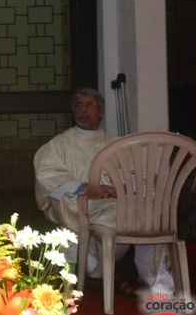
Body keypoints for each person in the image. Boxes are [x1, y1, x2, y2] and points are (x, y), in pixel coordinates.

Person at [33, 88, 175, 297]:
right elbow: (47, 173)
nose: (83, 110)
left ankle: (159, 289)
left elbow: (138, 173)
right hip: (82, 205)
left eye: (90, 105)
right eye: (79, 106)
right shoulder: (60, 144)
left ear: (101, 112)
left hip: (118, 203)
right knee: (119, 215)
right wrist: (87, 188)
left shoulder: (116, 144)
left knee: (151, 217)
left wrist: (121, 188)